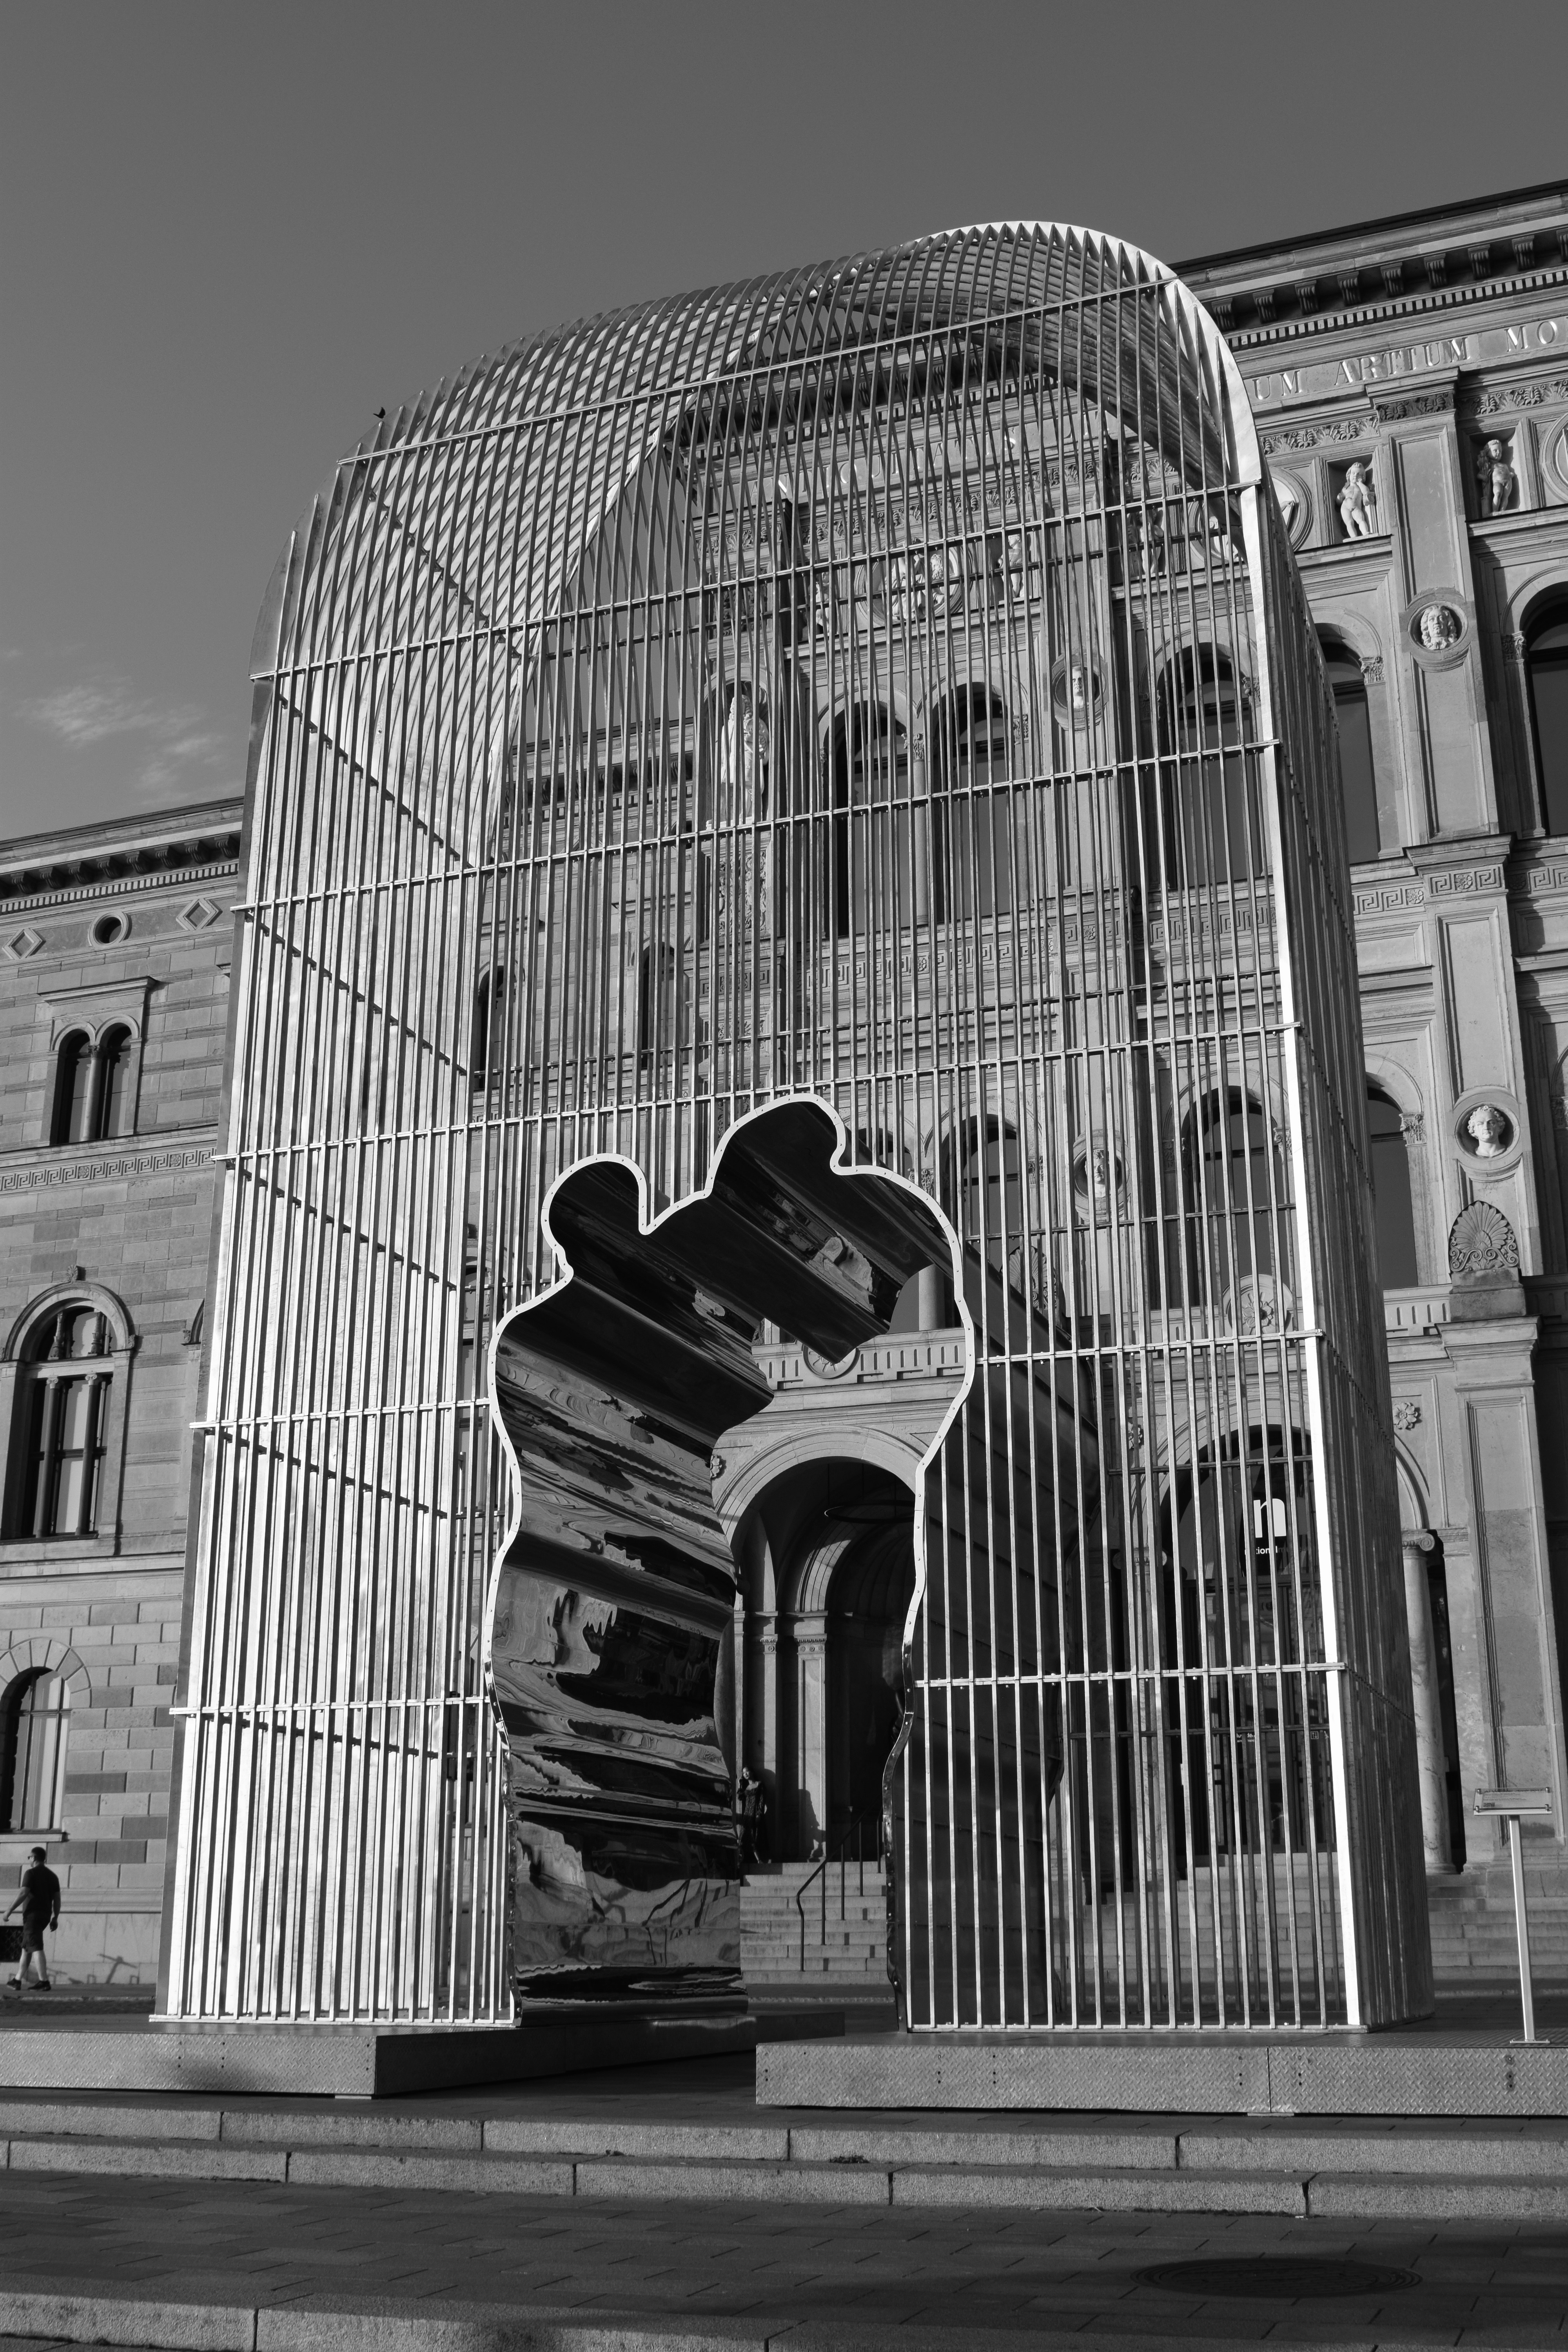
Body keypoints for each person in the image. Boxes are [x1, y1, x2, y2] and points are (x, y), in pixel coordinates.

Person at [5, 1846, 61, 1992]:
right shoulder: (53, 1876)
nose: (29, 1860)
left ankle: (44, 1981)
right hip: (44, 1916)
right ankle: (17, 1980)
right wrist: (55, 1918)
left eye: (29, 1857)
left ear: (34, 1858)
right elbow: (57, 1899)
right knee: (26, 1948)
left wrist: (9, 1911)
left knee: (36, 1947)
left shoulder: (31, 1873)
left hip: (32, 1916)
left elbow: (23, 1893)